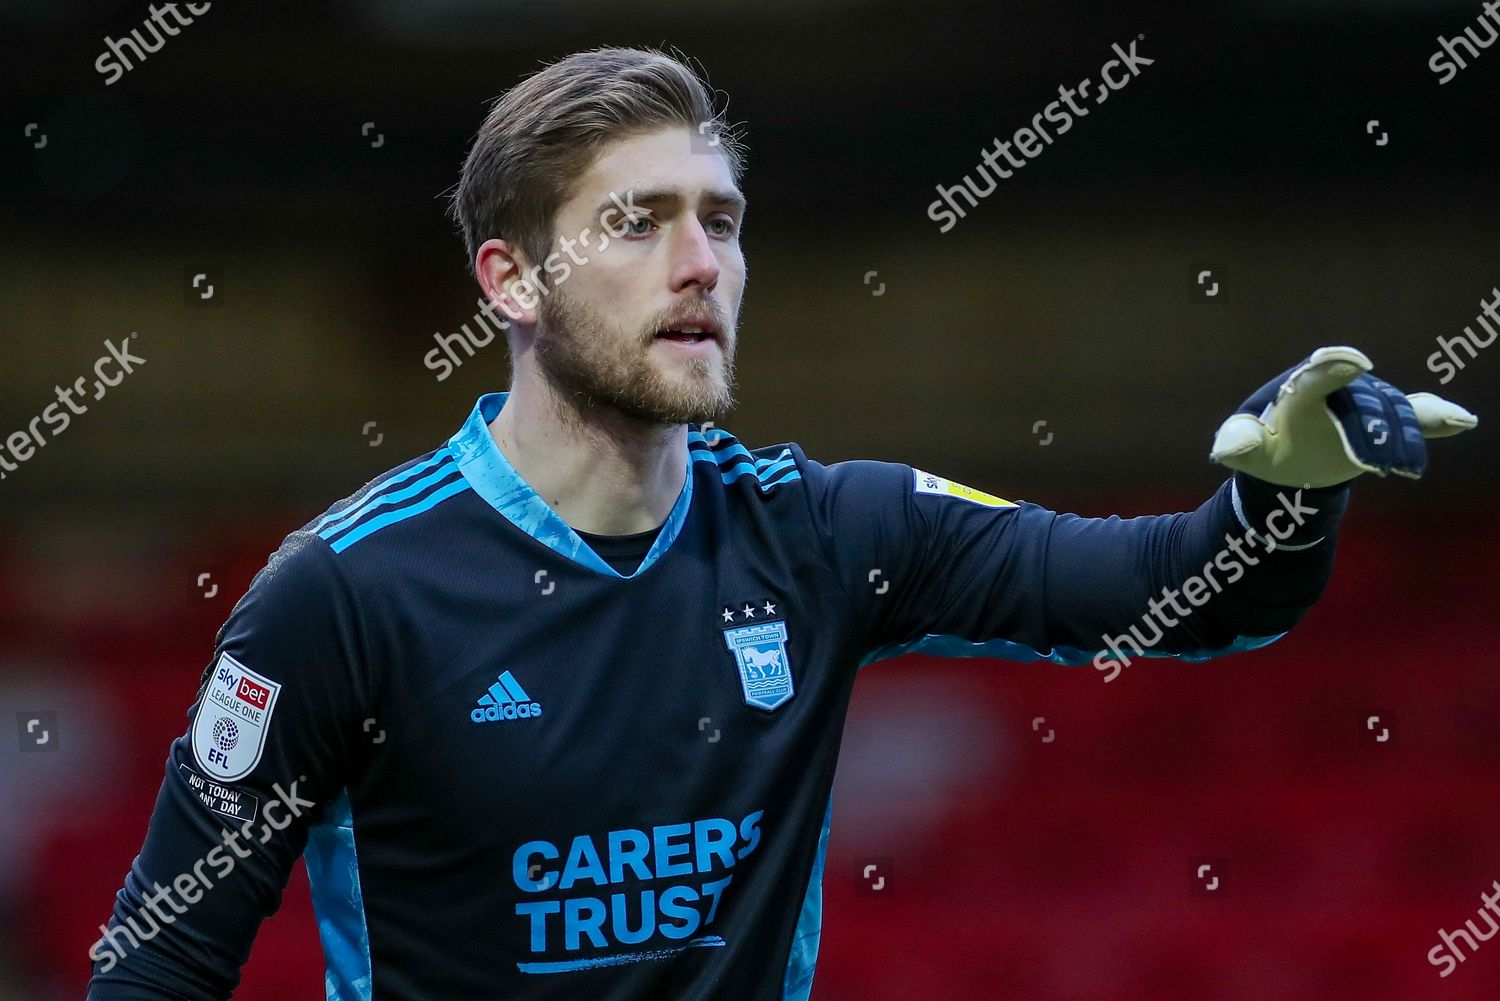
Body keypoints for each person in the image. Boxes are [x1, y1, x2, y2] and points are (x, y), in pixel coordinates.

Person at [88, 46, 1476, 1001]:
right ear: (510, 279)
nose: (703, 263)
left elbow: (1187, 592)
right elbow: (156, 968)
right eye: (639, 222)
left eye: (723, 219)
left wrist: (1284, 497)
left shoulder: (823, 532)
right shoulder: (344, 592)